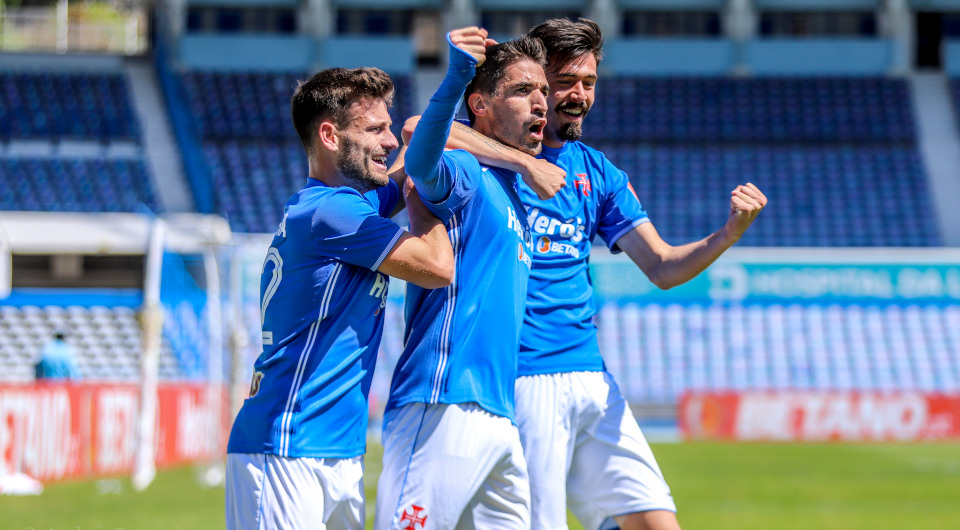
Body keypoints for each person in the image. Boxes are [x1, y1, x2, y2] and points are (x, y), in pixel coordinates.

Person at [411, 17, 768, 530]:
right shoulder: (479, 157)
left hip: (591, 375)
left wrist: (727, 234)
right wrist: (524, 163)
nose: (579, 96)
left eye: (590, 82)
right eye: (564, 83)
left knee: (655, 522)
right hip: (523, 379)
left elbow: (663, 267)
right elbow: (417, 133)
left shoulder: (597, 170)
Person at [224, 67, 455, 530]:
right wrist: (424, 196)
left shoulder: (341, 204)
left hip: (337, 450)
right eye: (375, 129)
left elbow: (411, 163)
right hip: (289, 446)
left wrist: (457, 93)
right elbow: (437, 267)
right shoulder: (334, 210)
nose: (390, 141)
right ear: (329, 135)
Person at [374, 28, 564, 530]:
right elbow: (420, 146)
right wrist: (457, 72)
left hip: (499, 414)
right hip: (442, 400)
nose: (540, 102)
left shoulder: (516, 195)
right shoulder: (465, 172)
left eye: (543, 91)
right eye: (523, 91)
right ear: (478, 104)